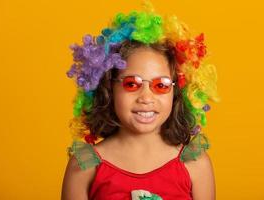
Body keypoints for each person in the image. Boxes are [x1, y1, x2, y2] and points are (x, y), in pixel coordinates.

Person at [61, 3, 219, 200]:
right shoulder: (85, 166)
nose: (146, 98)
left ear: (176, 92)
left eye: (160, 85)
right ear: (109, 88)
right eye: (131, 84)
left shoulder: (195, 164)